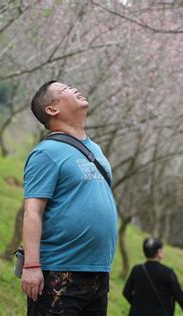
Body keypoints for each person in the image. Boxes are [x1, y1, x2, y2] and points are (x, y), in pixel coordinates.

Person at [21, 81, 118, 316]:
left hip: (97, 273)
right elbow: (32, 212)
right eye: (64, 90)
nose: (75, 89)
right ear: (51, 110)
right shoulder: (46, 153)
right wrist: (32, 266)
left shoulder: (95, 149)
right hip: (60, 272)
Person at [123, 237, 183, 316]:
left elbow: (126, 292)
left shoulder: (136, 270)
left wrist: (138, 306)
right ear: (159, 252)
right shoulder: (168, 273)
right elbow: (180, 297)